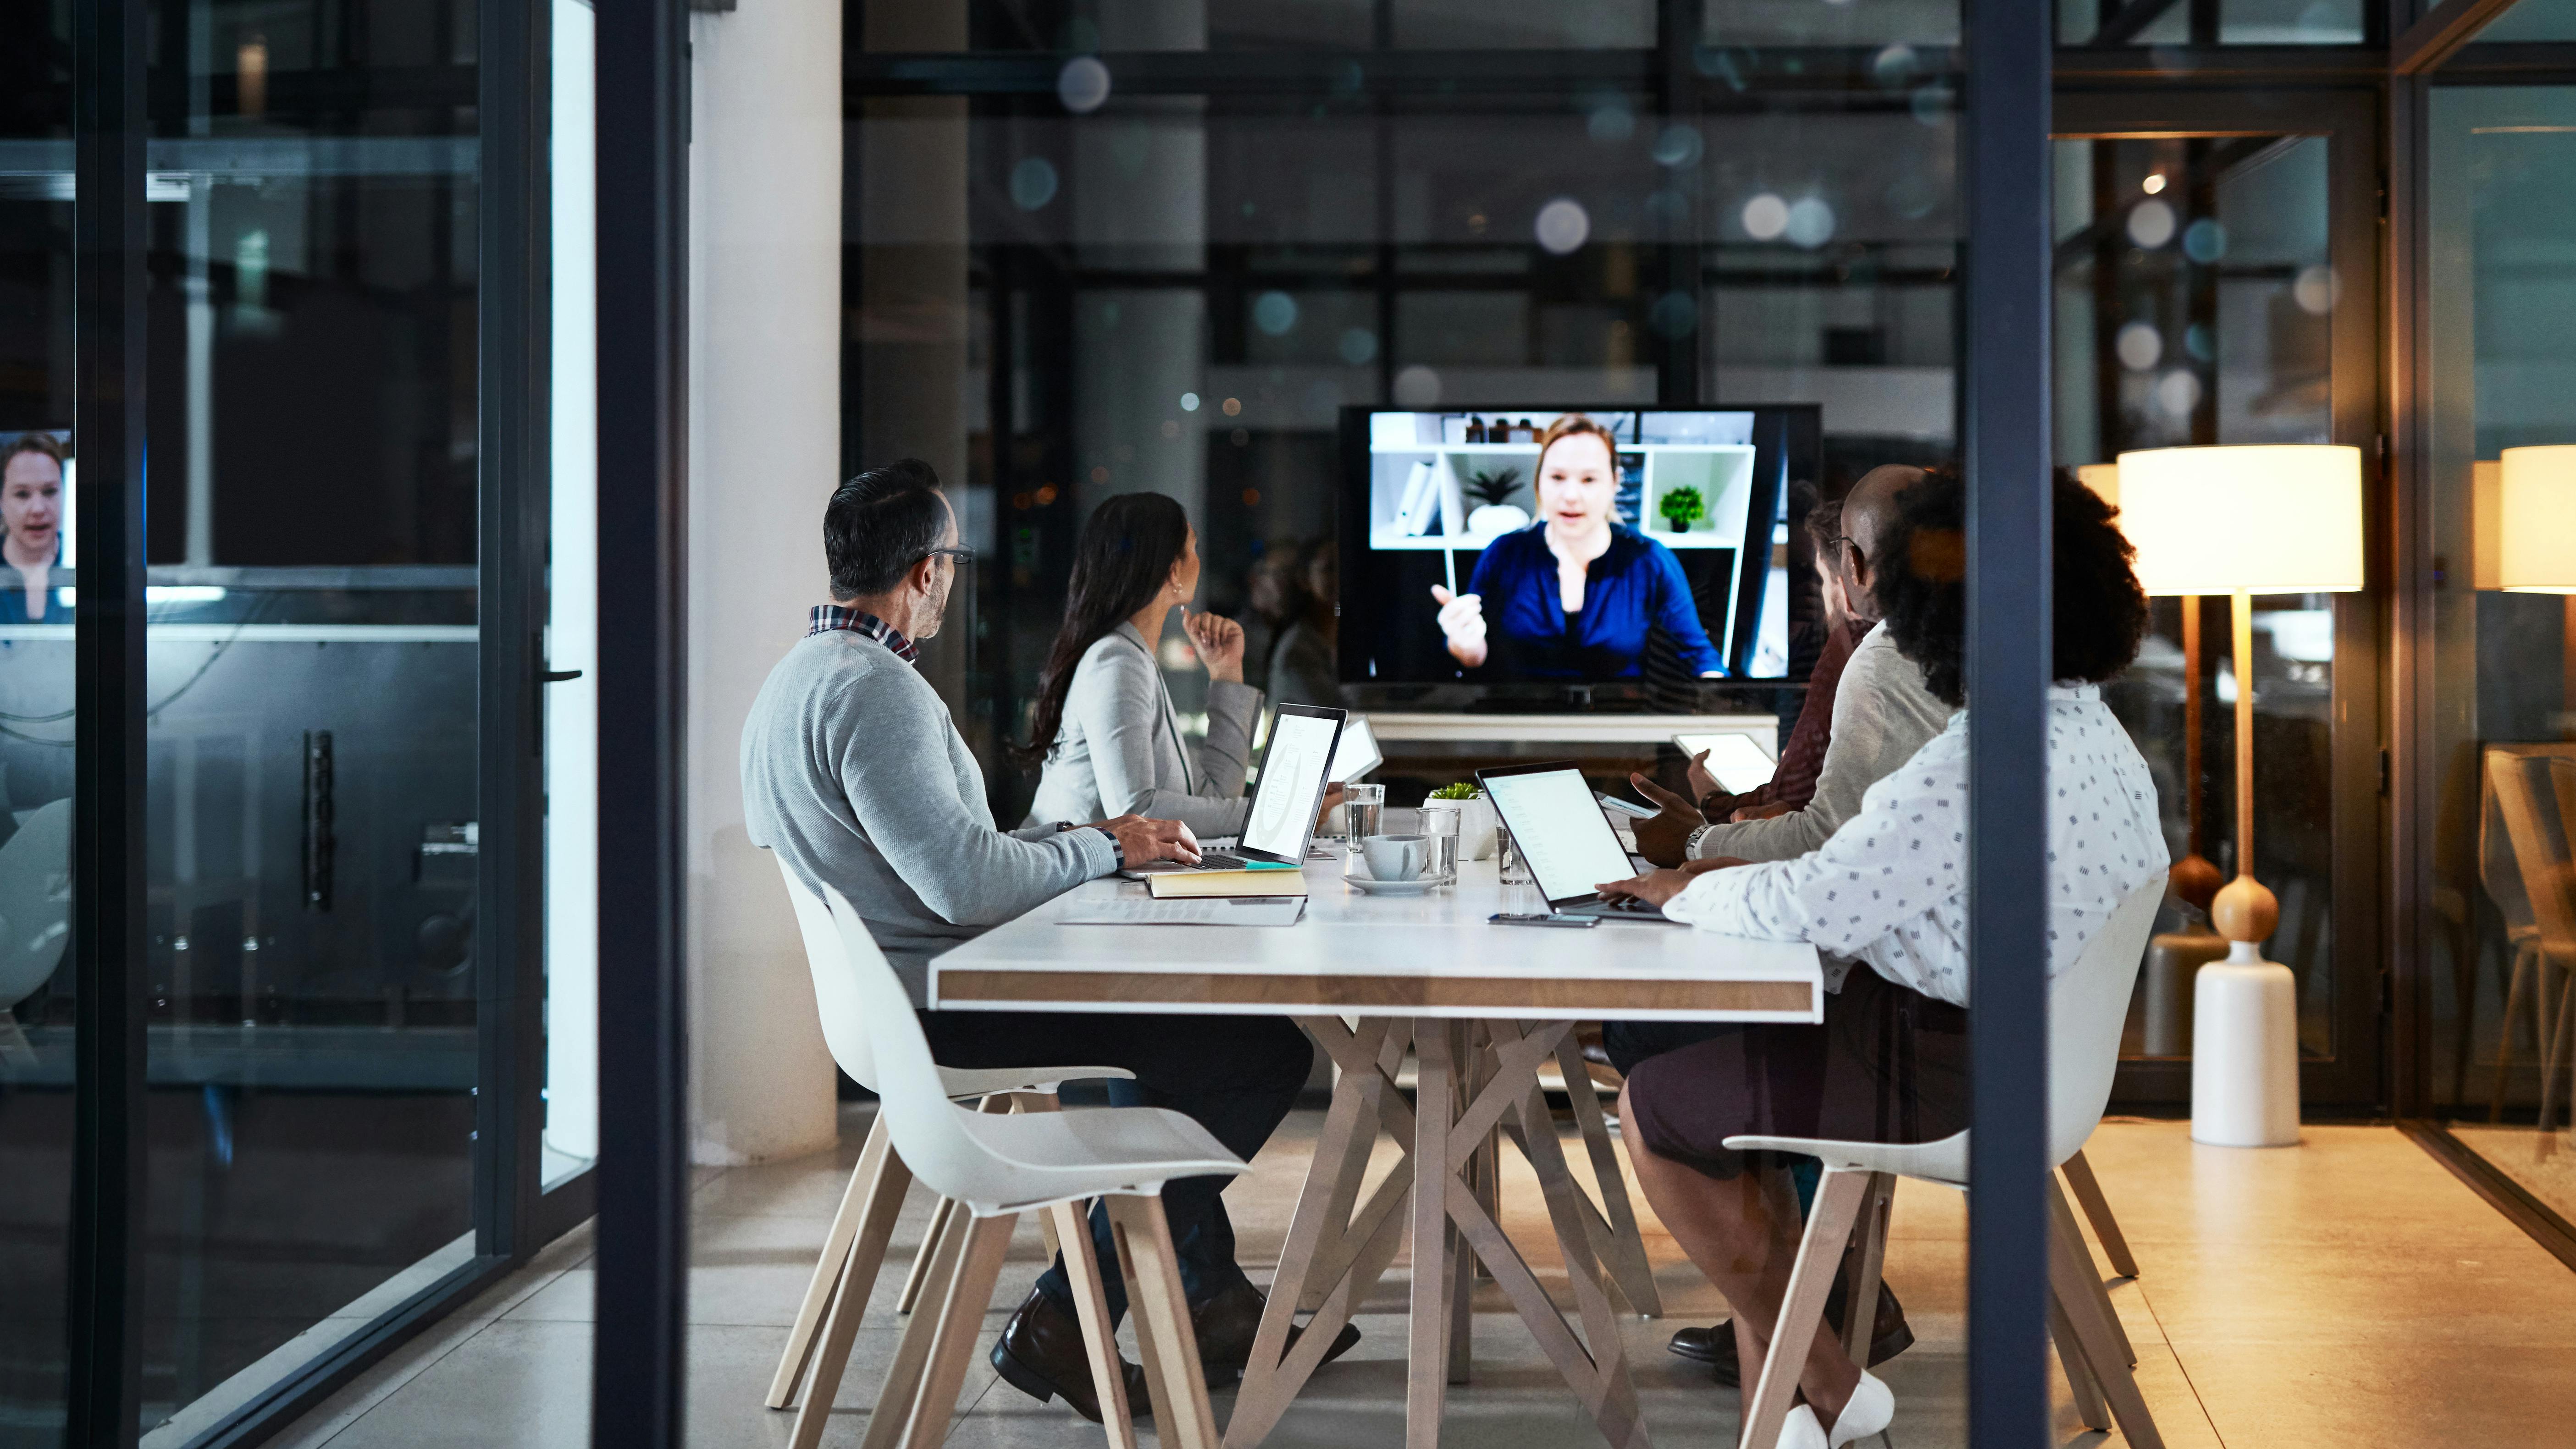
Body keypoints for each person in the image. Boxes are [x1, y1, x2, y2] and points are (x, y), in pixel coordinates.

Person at [741, 461, 1357, 1425]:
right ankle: (1074, 1313)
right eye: (951, 557)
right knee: (1262, 1048)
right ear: (924, 573)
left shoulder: (795, 678)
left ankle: (1206, 1292)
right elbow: (967, 883)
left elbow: (958, 863)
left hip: (903, 1004)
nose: (952, 575)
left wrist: (1069, 847)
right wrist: (1099, 844)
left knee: (1211, 1037)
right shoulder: (876, 691)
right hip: (943, 1005)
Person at [1592, 467, 2167, 1448]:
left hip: (1943, 1070)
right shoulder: (2091, 733)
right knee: (1712, 1065)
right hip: (2024, 1065)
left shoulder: (1978, 757)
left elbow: (1818, 892)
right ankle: (1798, 1397)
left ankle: (1827, 1381)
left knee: (1653, 1103)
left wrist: (1684, 885)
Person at [1628, 465, 1951, 873]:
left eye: (1815, 578)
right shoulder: (1985, 642)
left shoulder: (1878, 656)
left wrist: (1695, 839)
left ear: (1852, 562)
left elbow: (1826, 838)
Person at [1022, 493, 1266, 840]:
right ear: (1173, 571)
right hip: (1069, 888)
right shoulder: (1116, 662)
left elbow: (1215, 798)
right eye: (1193, 548)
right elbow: (1137, 812)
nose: (1200, 560)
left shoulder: (1133, 657)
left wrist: (1225, 672)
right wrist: (1270, 813)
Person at [1427, 413, 1724, 680]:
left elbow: (1700, 655)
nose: (1571, 495)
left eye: (1589, 479)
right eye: (1557, 477)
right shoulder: (1504, 553)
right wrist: (1464, 646)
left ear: (1614, 483)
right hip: (1518, 722)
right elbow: (1475, 660)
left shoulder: (1649, 560)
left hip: (1618, 723)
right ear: (1539, 481)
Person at [1689, 488, 1865, 827]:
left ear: (1848, 574)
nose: (1807, 588)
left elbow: (1790, 797)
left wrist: (1709, 799)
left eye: (1813, 573)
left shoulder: (1850, 645)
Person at [1, 434, 69, 625]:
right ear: (2, 501)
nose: (38, 509)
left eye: (50, 492)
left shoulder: (88, 561)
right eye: (22, 494)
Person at [1264, 541, 1340, 709]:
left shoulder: (1336, 638)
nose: (1341, 577)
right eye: (1330, 569)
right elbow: (1335, 711)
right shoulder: (1297, 650)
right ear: (1305, 580)